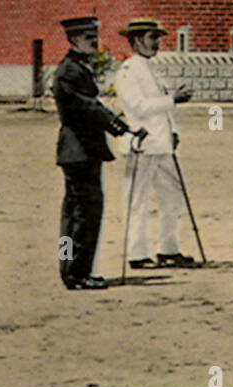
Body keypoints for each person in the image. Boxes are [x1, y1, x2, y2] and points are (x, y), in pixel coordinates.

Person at [53, 16, 140, 290]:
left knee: (76, 213)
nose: (95, 41)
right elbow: (86, 106)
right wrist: (118, 125)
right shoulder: (70, 70)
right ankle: (76, 274)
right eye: (88, 37)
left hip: (80, 150)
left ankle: (74, 271)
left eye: (95, 36)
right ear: (75, 39)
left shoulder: (77, 67)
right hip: (80, 149)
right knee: (84, 214)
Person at [115, 17, 195, 269]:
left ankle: (169, 248)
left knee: (173, 195)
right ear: (137, 40)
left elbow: (166, 108)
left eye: (158, 37)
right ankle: (138, 254)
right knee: (139, 199)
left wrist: (175, 131)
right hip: (144, 142)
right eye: (153, 37)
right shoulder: (128, 71)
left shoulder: (153, 69)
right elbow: (138, 106)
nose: (158, 43)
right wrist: (173, 99)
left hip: (163, 144)